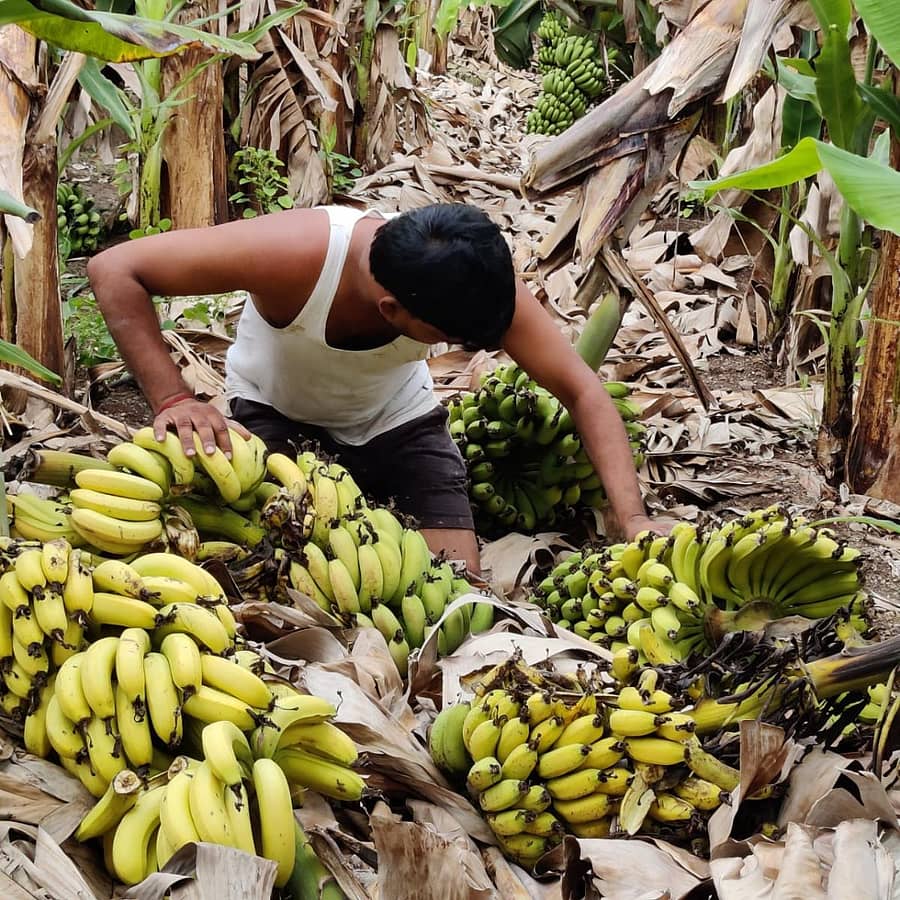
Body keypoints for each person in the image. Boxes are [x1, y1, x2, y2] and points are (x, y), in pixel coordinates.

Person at [88, 203, 671, 573]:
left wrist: (633, 517)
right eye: (443, 339)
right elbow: (116, 269)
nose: (454, 348)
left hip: (396, 417)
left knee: (453, 582)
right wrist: (174, 398)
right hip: (275, 412)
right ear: (392, 309)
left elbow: (582, 393)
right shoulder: (296, 254)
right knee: (292, 570)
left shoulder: (472, 286)